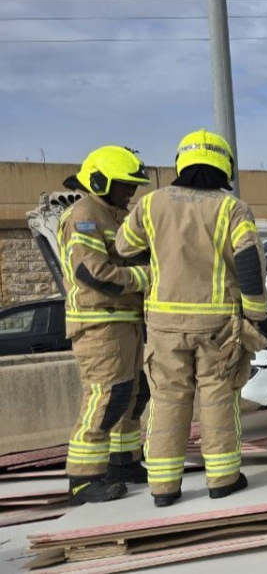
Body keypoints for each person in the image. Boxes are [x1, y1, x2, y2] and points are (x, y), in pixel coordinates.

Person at [116, 129, 267, 508]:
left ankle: (164, 488)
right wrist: (256, 314)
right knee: (218, 398)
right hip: (217, 326)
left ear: (181, 162)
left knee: (167, 401)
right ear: (224, 166)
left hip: (164, 326)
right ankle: (223, 480)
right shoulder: (232, 208)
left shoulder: (151, 204)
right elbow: (249, 263)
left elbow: (123, 246)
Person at [59, 146, 153, 505]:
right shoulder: (84, 214)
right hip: (100, 323)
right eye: (125, 185)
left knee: (132, 395)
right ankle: (83, 479)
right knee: (105, 397)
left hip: (124, 321)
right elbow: (91, 273)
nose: (131, 192)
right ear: (100, 181)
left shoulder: (112, 214)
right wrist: (147, 277)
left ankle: (123, 462)